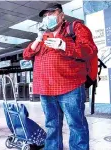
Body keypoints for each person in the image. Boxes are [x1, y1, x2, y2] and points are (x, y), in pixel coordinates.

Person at [23, 3, 97, 150]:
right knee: (51, 125)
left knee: (76, 124)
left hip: (70, 87)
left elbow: (90, 50)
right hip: (46, 89)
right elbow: (26, 55)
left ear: (62, 15)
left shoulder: (75, 28)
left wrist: (64, 46)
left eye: (51, 13)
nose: (47, 17)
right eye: (45, 16)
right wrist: (38, 38)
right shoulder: (43, 36)